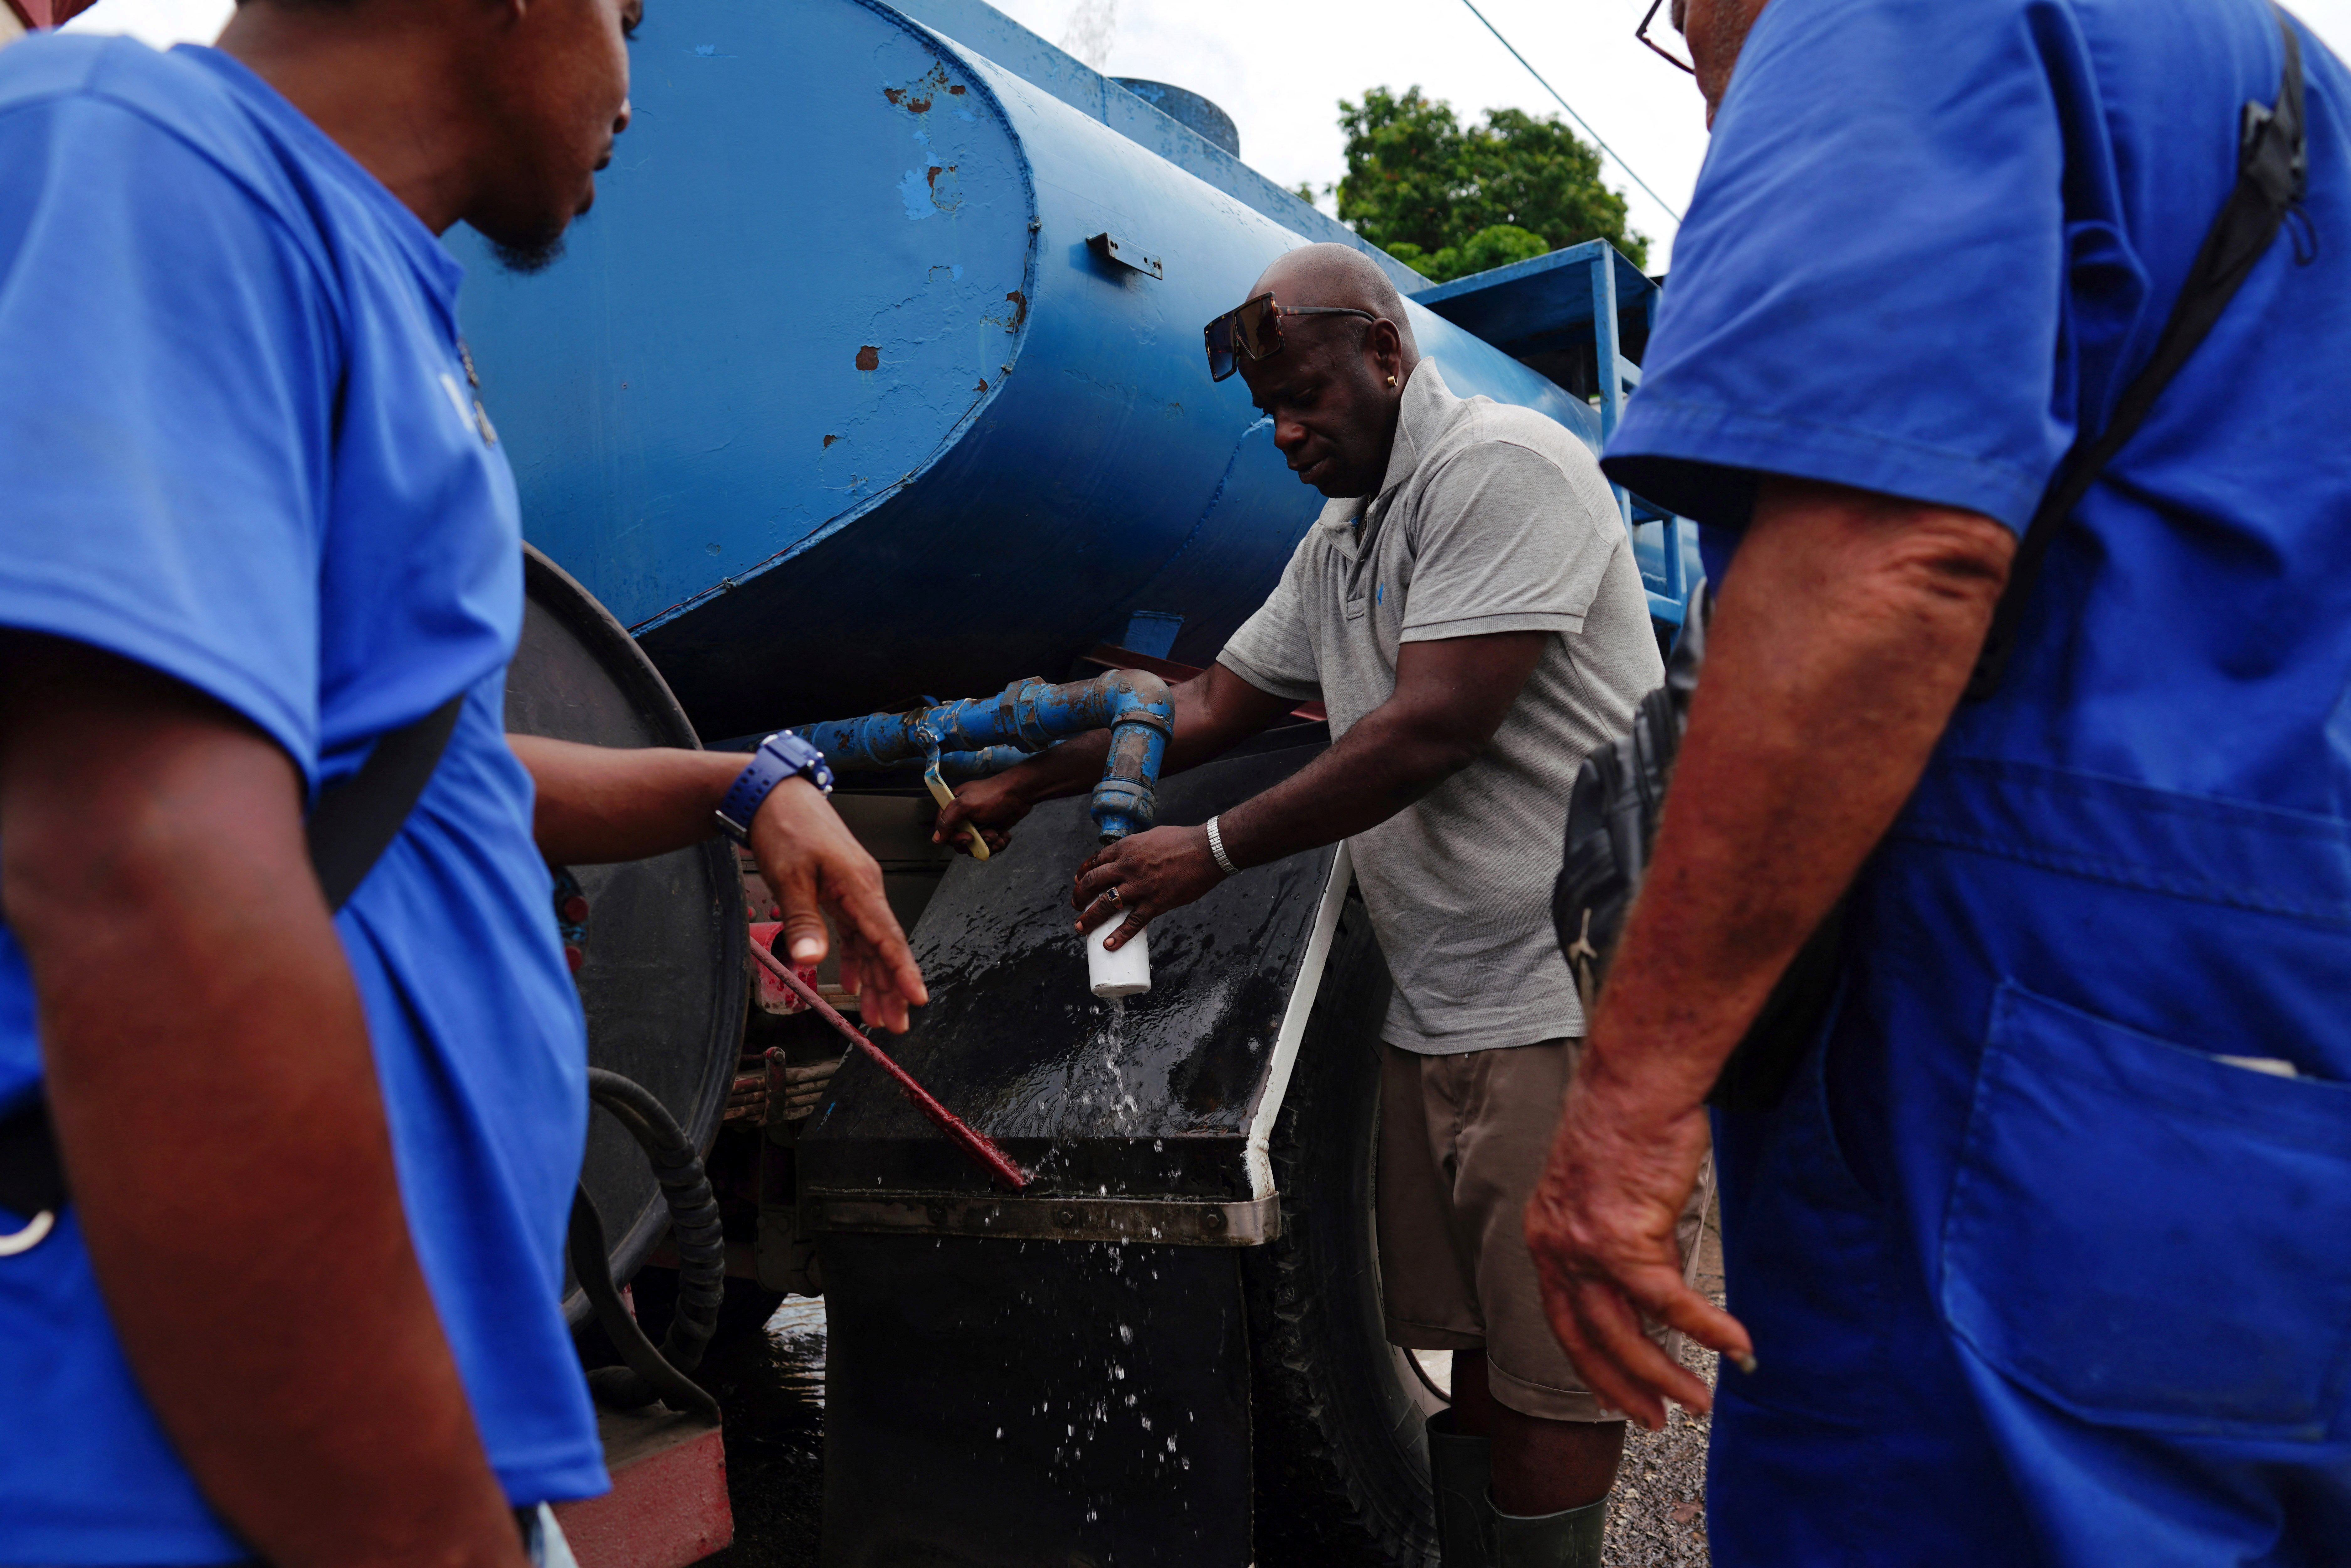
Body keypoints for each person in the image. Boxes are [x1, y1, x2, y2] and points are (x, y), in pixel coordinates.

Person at [0, 1, 928, 1562]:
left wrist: (738, 784)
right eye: (629, 16)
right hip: (172, 1447)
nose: (634, 82)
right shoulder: (134, 142)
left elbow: (425, 779)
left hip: (398, 1425)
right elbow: (139, 878)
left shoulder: (368, 284)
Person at [1522, 0, 2351, 1562]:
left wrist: (1630, 1109)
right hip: (2286, 1049)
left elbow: (1888, 555)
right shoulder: (2286, 80)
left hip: (2042, 1061)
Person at [937, 241, 1676, 1565]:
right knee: (1470, 1347)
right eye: (1267, 411)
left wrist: (1205, 851)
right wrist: (1022, 787)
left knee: (1558, 1360)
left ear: (1389, 353)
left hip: (1566, 1002)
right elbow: (1220, 703)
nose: (1284, 433)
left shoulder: (1501, 471)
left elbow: (1430, 728)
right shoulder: (1345, 537)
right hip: (1442, 1009)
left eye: (1308, 400)